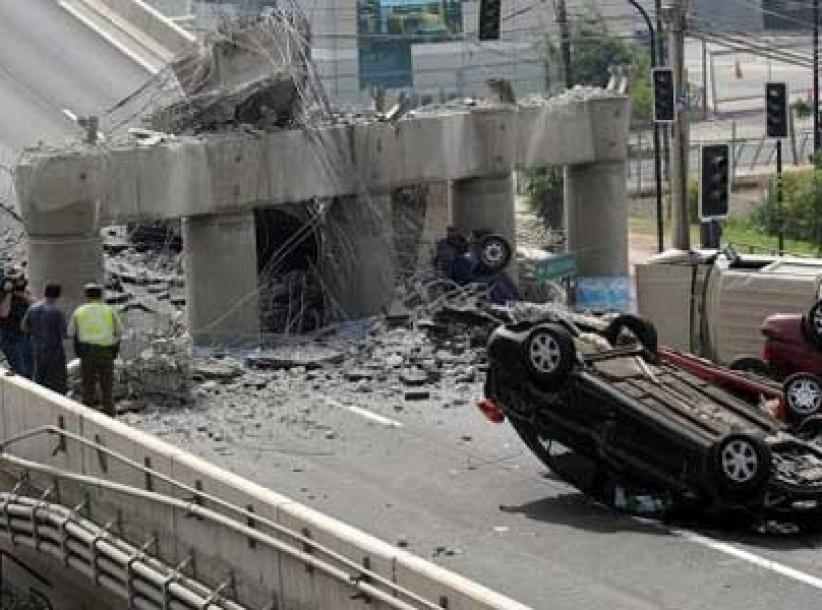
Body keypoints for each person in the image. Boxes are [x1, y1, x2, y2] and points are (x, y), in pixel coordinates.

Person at [68, 283, 123, 416]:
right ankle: (110, 416)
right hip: (106, 352)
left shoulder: (79, 311)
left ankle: (88, 418)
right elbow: (120, 331)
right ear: (101, 295)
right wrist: (111, 342)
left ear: (86, 296)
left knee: (88, 387)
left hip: (87, 353)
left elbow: (70, 332)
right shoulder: (109, 310)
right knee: (107, 388)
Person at [21, 283, 68, 394]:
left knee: (38, 376)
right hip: (54, 351)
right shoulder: (58, 312)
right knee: (55, 381)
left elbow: (23, 327)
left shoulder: (32, 308)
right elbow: (64, 334)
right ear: (58, 295)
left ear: (44, 293)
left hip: (36, 347)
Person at [0, 272, 33, 377]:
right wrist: (9, 293)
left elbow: (35, 305)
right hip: (10, 338)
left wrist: (24, 296)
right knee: (20, 370)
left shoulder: (24, 294)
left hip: (24, 337)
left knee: (30, 370)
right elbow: (4, 313)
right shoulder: (4, 295)